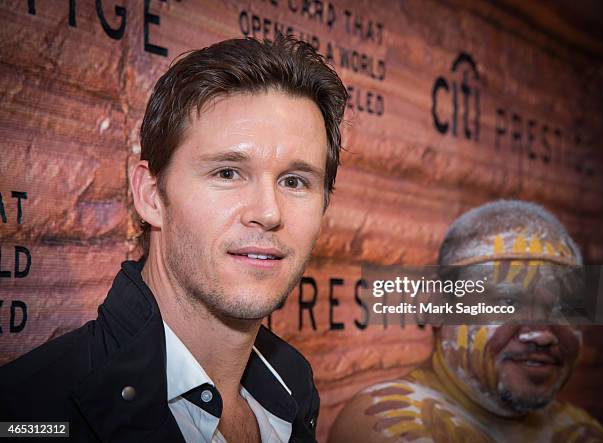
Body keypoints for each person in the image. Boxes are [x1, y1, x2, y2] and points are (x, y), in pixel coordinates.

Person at [0, 35, 347, 443]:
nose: (268, 212)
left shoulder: (294, 390)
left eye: (294, 181)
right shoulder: (27, 412)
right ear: (150, 196)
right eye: (228, 173)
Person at [330, 200, 603, 442]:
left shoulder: (579, 429)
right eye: (507, 302)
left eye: (563, 308)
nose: (542, 335)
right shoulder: (391, 421)